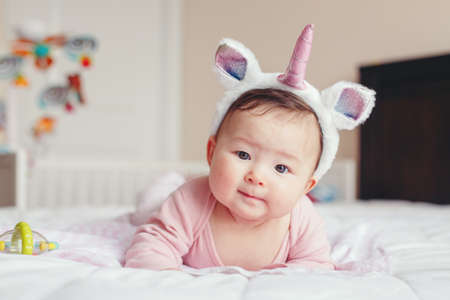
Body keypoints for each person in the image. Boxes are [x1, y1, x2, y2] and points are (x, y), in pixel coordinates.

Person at [125, 24, 375, 271]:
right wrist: (165, 275)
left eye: (281, 167)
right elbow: (152, 248)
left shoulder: (302, 219)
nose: (256, 177)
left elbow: (315, 266)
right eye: (243, 154)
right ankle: (164, 187)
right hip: (171, 201)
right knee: (150, 211)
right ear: (211, 152)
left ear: (306, 186)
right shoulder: (190, 199)